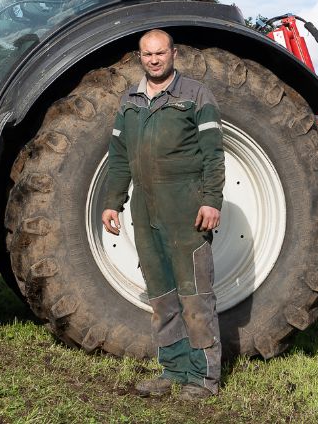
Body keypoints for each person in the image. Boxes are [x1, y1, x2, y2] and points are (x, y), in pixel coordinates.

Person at [100, 28, 225, 399]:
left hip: (185, 206)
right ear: (140, 57)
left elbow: (213, 154)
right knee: (162, 294)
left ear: (173, 53)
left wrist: (211, 201)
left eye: (160, 53)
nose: (154, 60)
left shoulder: (196, 96)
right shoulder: (130, 100)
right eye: (147, 54)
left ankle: (203, 378)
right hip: (145, 207)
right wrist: (112, 201)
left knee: (194, 293)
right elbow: (119, 157)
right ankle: (173, 369)